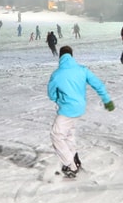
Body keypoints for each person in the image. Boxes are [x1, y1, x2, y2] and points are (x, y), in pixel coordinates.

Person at [47, 46, 114, 178]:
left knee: (56, 135)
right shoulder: (82, 70)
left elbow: (51, 94)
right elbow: (98, 84)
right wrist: (107, 100)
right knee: (68, 134)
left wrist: (59, 100)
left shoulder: (57, 74)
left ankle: (70, 165)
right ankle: (74, 159)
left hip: (67, 109)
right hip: (80, 108)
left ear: (60, 57)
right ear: (72, 56)